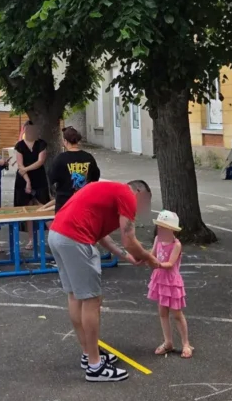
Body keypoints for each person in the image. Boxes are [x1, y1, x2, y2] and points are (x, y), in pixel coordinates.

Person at [48, 179, 159, 381]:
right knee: (91, 300)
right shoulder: (127, 195)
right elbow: (129, 239)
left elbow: (102, 237)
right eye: (145, 203)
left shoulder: (106, 192)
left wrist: (125, 256)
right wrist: (150, 258)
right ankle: (95, 366)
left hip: (58, 234)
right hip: (75, 238)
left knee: (75, 296)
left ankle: (88, 354)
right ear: (140, 192)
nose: (141, 209)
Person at [148, 210, 192, 359]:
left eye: (164, 227)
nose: (160, 230)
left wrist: (156, 264)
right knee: (162, 312)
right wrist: (143, 257)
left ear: (172, 229)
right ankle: (168, 342)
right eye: (159, 227)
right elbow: (152, 253)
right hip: (160, 280)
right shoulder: (157, 239)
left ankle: (186, 343)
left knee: (177, 314)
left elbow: (170, 263)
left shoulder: (176, 244)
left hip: (171, 282)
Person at [14, 121, 50, 249]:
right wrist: (27, 181)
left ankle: (53, 237)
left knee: (45, 207)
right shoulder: (19, 145)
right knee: (28, 210)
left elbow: (40, 161)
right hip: (23, 179)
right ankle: (31, 240)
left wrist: (26, 169)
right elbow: (19, 165)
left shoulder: (41, 144)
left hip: (39, 178)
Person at [48, 126, 102, 211]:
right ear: (78, 141)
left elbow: (51, 178)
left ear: (65, 141)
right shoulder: (88, 157)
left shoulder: (60, 159)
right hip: (84, 202)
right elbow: (95, 177)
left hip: (64, 203)